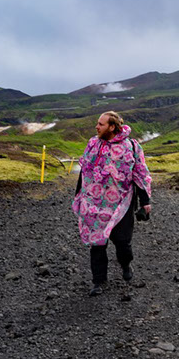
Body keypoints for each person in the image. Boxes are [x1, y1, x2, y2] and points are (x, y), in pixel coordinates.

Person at [72, 111, 152, 296]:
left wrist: (145, 201)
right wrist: (79, 195)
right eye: (97, 123)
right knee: (97, 243)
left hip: (121, 204)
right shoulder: (93, 144)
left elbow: (140, 174)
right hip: (94, 203)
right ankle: (98, 281)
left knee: (123, 242)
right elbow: (85, 170)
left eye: (101, 124)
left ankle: (126, 264)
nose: (96, 127)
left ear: (112, 127)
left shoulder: (131, 147)